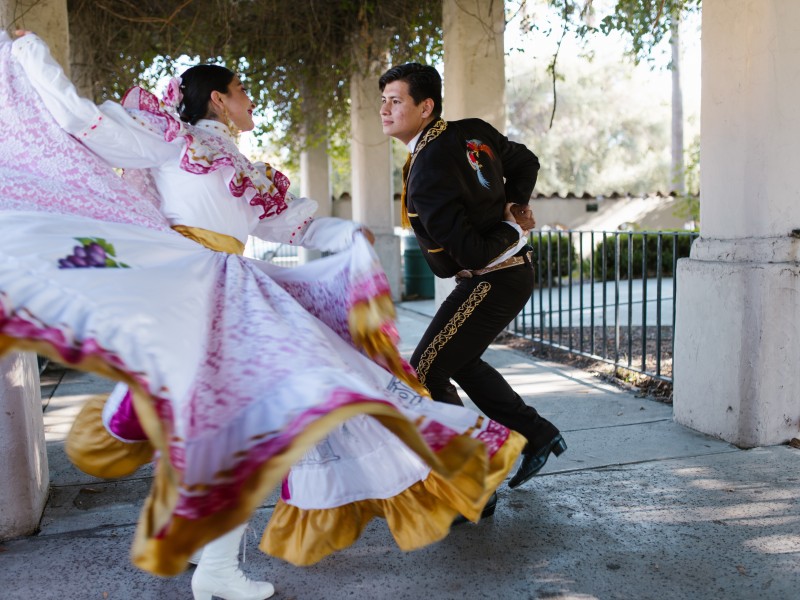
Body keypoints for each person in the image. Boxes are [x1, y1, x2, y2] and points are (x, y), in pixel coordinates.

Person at [0, 33, 526, 600]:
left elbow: (290, 226)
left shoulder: (242, 167)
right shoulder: (172, 141)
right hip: (188, 286)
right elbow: (85, 123)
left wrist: (345, 234)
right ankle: (210, 556)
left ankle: (210, 556)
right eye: (243, 90)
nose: (251, 100)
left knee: (239, 422)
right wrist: (35, 59)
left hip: (230, 288)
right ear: (218, 100)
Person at [378, 62, 567, 501]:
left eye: (396, 101)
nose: (385, 110)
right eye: (383, 101)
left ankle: (473, 483)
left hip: (493, 277)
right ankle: (536, 434)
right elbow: (527, 162)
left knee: (425, 371)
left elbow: (475, 254)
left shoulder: (426, 170)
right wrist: (515, 208)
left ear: (425, 107)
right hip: (504, 274)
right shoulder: (471, 131)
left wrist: (513, 225)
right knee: (455, 362)